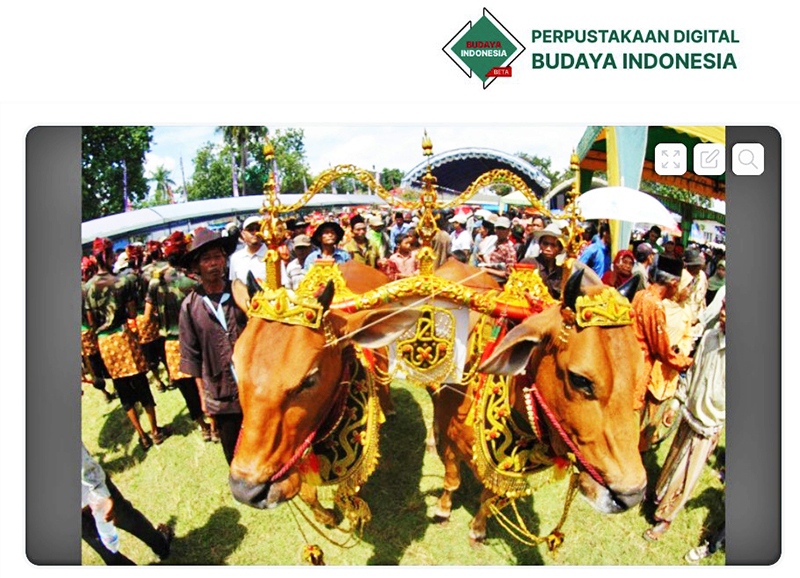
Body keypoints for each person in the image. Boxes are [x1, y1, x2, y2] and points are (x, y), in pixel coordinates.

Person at [644, 302, 726, 542]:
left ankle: (666, 518)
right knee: (673, 459)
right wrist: (676, 403)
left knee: (687, 472)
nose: (723, 313)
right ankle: (658, 497)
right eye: (723, 307)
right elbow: (692, 373)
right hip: (690, 411)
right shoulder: (710, 336)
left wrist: (716, 415)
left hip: (708, 422)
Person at [84, 238, 171, 450]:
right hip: (124, 339)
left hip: (105, 343)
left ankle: (142, 435)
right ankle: (155, 431)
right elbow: (132, 313)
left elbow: (91, 322)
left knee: (123, 391)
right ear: (110, 256)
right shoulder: (122, 282)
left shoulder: (86, 288)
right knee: (141, 384)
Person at [179, 228, 246, 464]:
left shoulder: (239, 292)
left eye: (218, 257)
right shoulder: (190, 306)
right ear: (196, 266)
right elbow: (192, 356)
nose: (214, 263)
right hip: (221, 391)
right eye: (206, 259)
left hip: (252, 384)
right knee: (234, 451)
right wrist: (203, 397)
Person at [143, 231, 212, 441]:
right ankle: (215, 424)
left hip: (172, 344)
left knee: (187, 389)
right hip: (198, 339)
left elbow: (147, 316)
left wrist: (162, 319)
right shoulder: (192, 281)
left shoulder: (155, 283)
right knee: (207, 382)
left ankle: (203, 427)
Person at [631, 255, 694, 451]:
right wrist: (687, 362)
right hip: (639, 368)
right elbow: (663, 352)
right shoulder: (655, 305)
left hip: (629, 362)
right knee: (631, 422)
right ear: (673, 283)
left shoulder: (641, 295)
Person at [82, 444, 173, 564]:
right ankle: (161, 546)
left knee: (100, 545)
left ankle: (161, 546)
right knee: (127, 518)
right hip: (89, 489)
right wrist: (98, 491)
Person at [528, 223, 565, 300]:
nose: (548, 248)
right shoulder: (528, 264)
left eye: (553, 245)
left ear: (560, 249)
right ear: (540, 245)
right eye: (545, 244)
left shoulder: (562, 272)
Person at [229, 216, 267, 285]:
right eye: (251, 229)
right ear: (243, 234)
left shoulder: (272, 255)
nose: (255, 232)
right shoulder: (236, 258)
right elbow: (235, 285)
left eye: (258, 229)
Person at [482, 216, 517, 284]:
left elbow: (509, 273)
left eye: (503, 229)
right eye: (498, 228)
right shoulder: (492, 242)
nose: (500, 231)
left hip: (499, 283)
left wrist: (488, 270)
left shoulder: (509, 249)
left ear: (508, 231)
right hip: (487, 280)